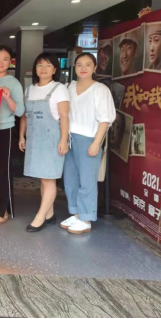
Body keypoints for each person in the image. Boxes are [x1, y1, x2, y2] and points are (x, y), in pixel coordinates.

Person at [62, 53, 116, 235]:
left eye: (87, 64)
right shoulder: (69, 87)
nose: (83, 68)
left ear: (94, 68)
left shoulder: (100, 89)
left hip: (89, 139)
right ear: (74, 67)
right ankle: (76, 213)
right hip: (69, 138)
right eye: (79, 64)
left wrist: (96, 142)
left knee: (87, 181)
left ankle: (86, 219)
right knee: (70, 179)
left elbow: (105, 119)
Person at [19, 53, 70, 233]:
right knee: (43, 178)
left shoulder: (59, 89)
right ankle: (50, 214)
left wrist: (63, 140)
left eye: (48, 65)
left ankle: (39, 217)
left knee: (49, 179)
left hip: (51, 140)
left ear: (55, 69)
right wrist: (21, 136)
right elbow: (25, 116)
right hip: (34, 139)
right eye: (40, 65)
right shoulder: (29, 89)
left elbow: (64, 116)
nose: (43, 69)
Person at [0, 46, 25, 226]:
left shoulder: (14, 83)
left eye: (5, 59)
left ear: (10, 62)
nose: (1, 62)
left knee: (3, 170)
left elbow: (20, 111)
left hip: (5, 129)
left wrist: (8, 98)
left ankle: (4, 210)